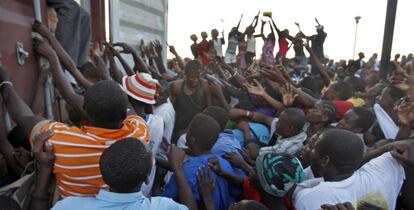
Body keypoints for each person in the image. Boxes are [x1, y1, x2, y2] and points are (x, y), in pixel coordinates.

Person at [0, 48, 150, 198]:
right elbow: (127, 106)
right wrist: (106, 76)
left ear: (84, 110)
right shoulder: (140, 132)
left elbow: (23, 116)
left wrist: (5, 80)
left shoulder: (57, 139)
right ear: (124, 115)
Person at [52, 138, 194, 210]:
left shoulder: (68, 206)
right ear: (147, 179)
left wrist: (44, 172)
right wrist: (177, 168)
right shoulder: (163, 207)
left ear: (103, 174)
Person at [293, 129, 406, 210]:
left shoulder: (309, 199)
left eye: (314, 149)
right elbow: (407, 147)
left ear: (325, 161)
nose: (308, 149)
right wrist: (386, 148)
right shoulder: (382, 170)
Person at [163, 114, 241, 210]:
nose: (186, 131)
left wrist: (157, 183)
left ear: (192, 140)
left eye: (188, 130)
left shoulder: (184, 171)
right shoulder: (224, 164)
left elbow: (164, 202)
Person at [170, 60, 212, 143]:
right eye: (192, 77)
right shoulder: (177, 87)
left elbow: (209, 110)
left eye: (198, 77)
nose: (195, 80)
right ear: (185, 75)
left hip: (197, 131)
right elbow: (171, 112)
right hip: (178, 130)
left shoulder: (204, 85)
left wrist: (193, 130)